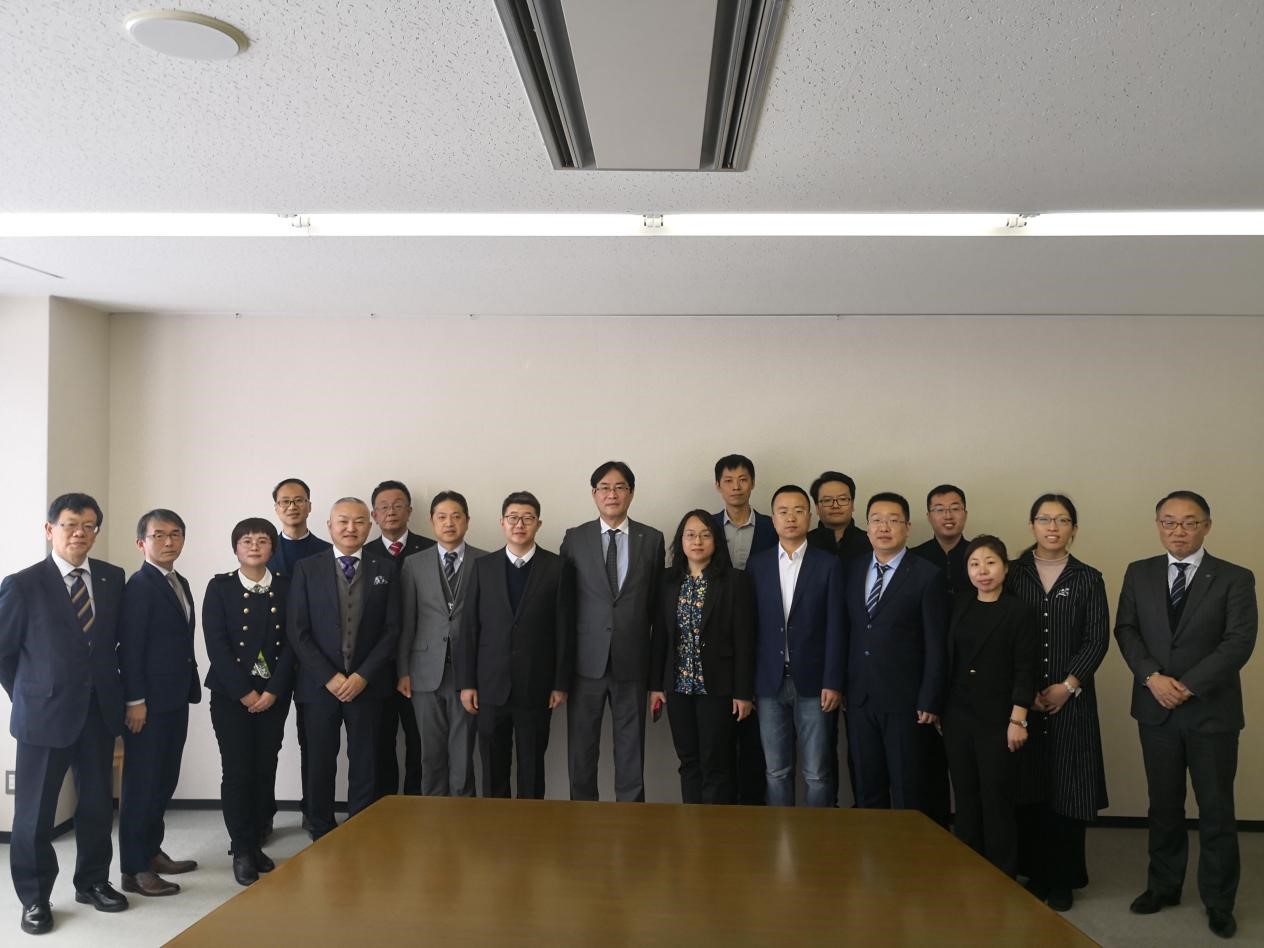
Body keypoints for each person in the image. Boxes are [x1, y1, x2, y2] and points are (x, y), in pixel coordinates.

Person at [1114, 491, 1256, 940]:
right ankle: (1163, 886)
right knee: (1163, 806)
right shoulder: (1139, 572)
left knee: (1216, 810)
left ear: (1207, 526)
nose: (1179, 531)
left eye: (1190, 522)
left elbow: (1239, 641)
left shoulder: (1235, 577)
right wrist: (1152, 677)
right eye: (1169, 522)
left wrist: (1188, 685)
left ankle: (1219, 901)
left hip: (1211, 712)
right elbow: (1126, 630)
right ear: (1158, 525)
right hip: (1155, 709)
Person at [0, 494, 129, 935]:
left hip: (98, 712)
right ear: (49, 529)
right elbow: (4, 653)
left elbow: (112, 645)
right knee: (34, 814)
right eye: (71, 524)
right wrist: (30, 694)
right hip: (42, 717)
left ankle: (92, 882)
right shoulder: (23, 584)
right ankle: (35, 898)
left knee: (96, 806)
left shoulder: (112, 578)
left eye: (89, 525)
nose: (80, 533)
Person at [1007, 493, 1109, 913]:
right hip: (1023, 702)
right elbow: (1002, 633)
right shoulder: (1013, 574)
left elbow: (1097, 639)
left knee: (1069, 789)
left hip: (1073, 701)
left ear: (1074, 529)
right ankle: (1036, 872)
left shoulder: (1089, 578)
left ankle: (1064, 878)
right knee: (1029, 788)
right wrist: (1024, 691)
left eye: (1062, 520)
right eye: (1045, 519)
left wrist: (1068, 685)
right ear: (1031, 525)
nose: (1053, 527)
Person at [287, 497, 401, 839]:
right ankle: (320, 826)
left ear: (370, 525)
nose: (351, 528)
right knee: (319, 759)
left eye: (359, 521)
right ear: (329, 526)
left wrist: (363, 675)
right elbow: (298, 630)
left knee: (366, 760)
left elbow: (392, 629)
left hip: (368, 684)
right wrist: (330, 677)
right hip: (318, 686)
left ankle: (361, 825)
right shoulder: (307, 568)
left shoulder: (386, 569)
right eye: (343, 521)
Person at [560, 460, 665, 802]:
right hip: (585, 664)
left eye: (620, 487)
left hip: (632, 662)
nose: (612, 494)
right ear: (594, 494)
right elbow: (565, 604)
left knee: (631, 752)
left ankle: (631, 821)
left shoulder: (652, 539)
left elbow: (656, 606)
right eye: (604, 487)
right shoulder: (575, 538)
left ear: (631, 493)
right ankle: (581, 817)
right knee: (581, 752)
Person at [202, 518, 296, 886]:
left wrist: (274, 690)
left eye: (262, 540)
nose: (254, 546)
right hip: (231, 696)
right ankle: (241, 848)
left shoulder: (287, 586)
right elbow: (216, 644)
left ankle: (256, 840)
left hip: (274, 694)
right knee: (237, 770)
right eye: (246, 541)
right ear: (236, 548)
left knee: (264, 767)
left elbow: (294, 643)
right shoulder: (220, 587)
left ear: (273, 547)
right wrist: (244, 691)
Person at [458, 492, 569, 799]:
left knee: (532, 767)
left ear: (538, 524)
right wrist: (467, 683)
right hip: (490, 686)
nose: (520, 524)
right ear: (502, 523)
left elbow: (564, 629)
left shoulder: (557, 567)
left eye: (527, 518)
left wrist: (560, 683)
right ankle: (495, 825)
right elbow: (469, 628)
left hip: (537, 685)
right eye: (513, 518)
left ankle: (531, 825)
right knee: (493, 766)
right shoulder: (483, 566)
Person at [843, 492, 948, 816]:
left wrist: (930, 698)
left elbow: (936, 643)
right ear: (867, 527)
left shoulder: (927, 575)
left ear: (908, 527)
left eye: (893, 520)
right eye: (876, 520)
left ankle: (907, 850)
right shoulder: (852, 569)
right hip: (860, 698)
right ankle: (870, 847)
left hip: (905, 701)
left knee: (907, 788)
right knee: (867, 786)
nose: (884, 527)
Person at [117, 509, 202, 897]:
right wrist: (135, 700)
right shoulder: (139, 586)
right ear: (142, 543)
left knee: (164, 780)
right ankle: (134, 870)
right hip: (146, 705)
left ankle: (152, 852)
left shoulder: (178, 581)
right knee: (141, 785)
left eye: (176, 534)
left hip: (174, 698)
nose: (169, 541)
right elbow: (130, 649)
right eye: (159, 535)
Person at [941, 535, 1036, 877]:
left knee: (997, 796)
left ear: (1006, 568)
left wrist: (1018, 718)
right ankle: (969, 868)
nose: (982, 571)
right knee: (965, 795)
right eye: (974, 564)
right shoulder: (960, 604)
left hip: (999, 717)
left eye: (991, 563)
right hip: (958, 714)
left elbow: (1025, 668)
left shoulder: (1018, 610)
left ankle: (1002, 873)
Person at [747, 485, 845, 807]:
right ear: (773, 519)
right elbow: (751, 627)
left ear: (810, 516)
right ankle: (781, 833)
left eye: (798, 511)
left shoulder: (828, 564)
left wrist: (833, 681)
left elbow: (836, 627)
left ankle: (818, 835)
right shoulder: (758, 565)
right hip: (769, 682)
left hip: (815, 684)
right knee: (776, 771)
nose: (791, 518)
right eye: (783, 511)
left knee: (817, 772)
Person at [650, 510, 755, 804]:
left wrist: (743, 692)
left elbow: (745, 640)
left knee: (716, 762)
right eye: (691, 535)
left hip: (717, 688)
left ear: (716, 540)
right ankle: (692, 824)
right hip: (678, 686)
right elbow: (660, 636)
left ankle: (715, 828)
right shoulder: (668, 580)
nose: (697, 541)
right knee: (688, 761)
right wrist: (656, 685)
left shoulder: (734, 581)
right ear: (681, 541)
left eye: (705, 535)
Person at [397, 491, 485, 796]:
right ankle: (432, 813)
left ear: (467, 521)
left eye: (456, 516)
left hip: (468, 673)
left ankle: (463, 811)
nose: (449, 523)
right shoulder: (414, 564)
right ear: (432, 521)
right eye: (442, 517)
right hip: (424, 671)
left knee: (463, 752)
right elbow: (407, 621)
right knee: (430, 753)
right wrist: (403, 670)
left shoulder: (485, 561)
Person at [266, 476, 331, 834]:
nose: (292, 507)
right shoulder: (262, 547)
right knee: (267, 742)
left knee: (314, 741)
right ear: (276, 508)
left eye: (299, 500)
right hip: (272, 659)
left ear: (309, 505)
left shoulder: (326, 550)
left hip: (314, 660)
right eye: (285, 501)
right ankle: (263, 815)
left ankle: (313, 810)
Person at [709, 453, 774, 805]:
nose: (736, 487)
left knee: (756, 740)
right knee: (719, 739)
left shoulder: (772, 527)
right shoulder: (705, 527)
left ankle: (754, 808)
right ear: (718, 486)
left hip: (764, 639)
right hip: (717, 644)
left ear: (753, 483)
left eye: (743, 479)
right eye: (729, 480)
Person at [367, 479, 433, 798]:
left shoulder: (431, 549)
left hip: (420, 662)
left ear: (410, 510)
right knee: (380, 740)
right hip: (376, 665)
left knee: (419, 740)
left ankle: (416, 805)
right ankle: (385, 805)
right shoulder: (364, 553)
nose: (390, 511)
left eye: (397, 505)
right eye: (383, 507)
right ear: (374, 515)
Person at [911, 484, 971, 603]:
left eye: (955, 509)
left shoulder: (979, 555)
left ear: (965, 514)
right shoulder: (913, 558)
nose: (948, 516)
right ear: (929, 517)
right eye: (939, 510)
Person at [806, 471, 872, 562]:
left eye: (842, 499)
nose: (835, 506)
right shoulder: (803, 543)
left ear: (852, 504)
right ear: (817, 507)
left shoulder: (872, 542)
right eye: (827, 500)